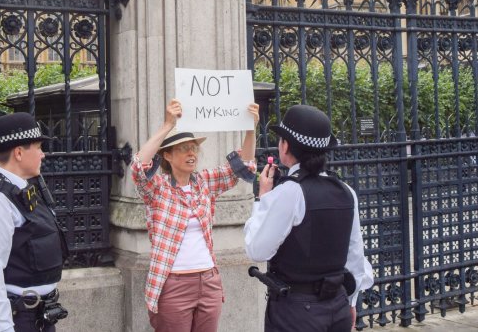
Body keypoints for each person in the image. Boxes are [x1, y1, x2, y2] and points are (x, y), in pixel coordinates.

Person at [130, 99, 259, 332]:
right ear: (167, 156)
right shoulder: (158, 188)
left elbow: (244, 166)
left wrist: (250, 128)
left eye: (193, 148)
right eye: (183, 148)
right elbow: (139, 167)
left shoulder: (204, 182)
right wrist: (167, 125)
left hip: (208, 281)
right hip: (173, 284)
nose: (191, 153)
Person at [244, 104, 374, 332]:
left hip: (297, 312)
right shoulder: (345, 191)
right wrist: (351, 301)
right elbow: (355, 255)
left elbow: (257, 250)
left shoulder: (289, 193)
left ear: (286, 146)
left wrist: (263, 199)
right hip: (338, 306)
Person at [0, 112, 68, 332]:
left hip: (36, 314)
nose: (43, 155)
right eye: (39, 147)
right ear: (19, 153)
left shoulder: (20, 188)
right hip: (15, 317)